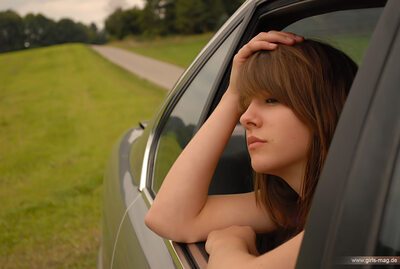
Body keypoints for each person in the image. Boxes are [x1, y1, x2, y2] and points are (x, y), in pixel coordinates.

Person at [145, 31, 358, 268]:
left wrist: (227, 244)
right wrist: (233, 94)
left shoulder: (359, 212)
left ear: (326, 107)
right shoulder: (291, 206)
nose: (245, 118)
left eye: (271, 100)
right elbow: (168, 218)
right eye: (245, 104)